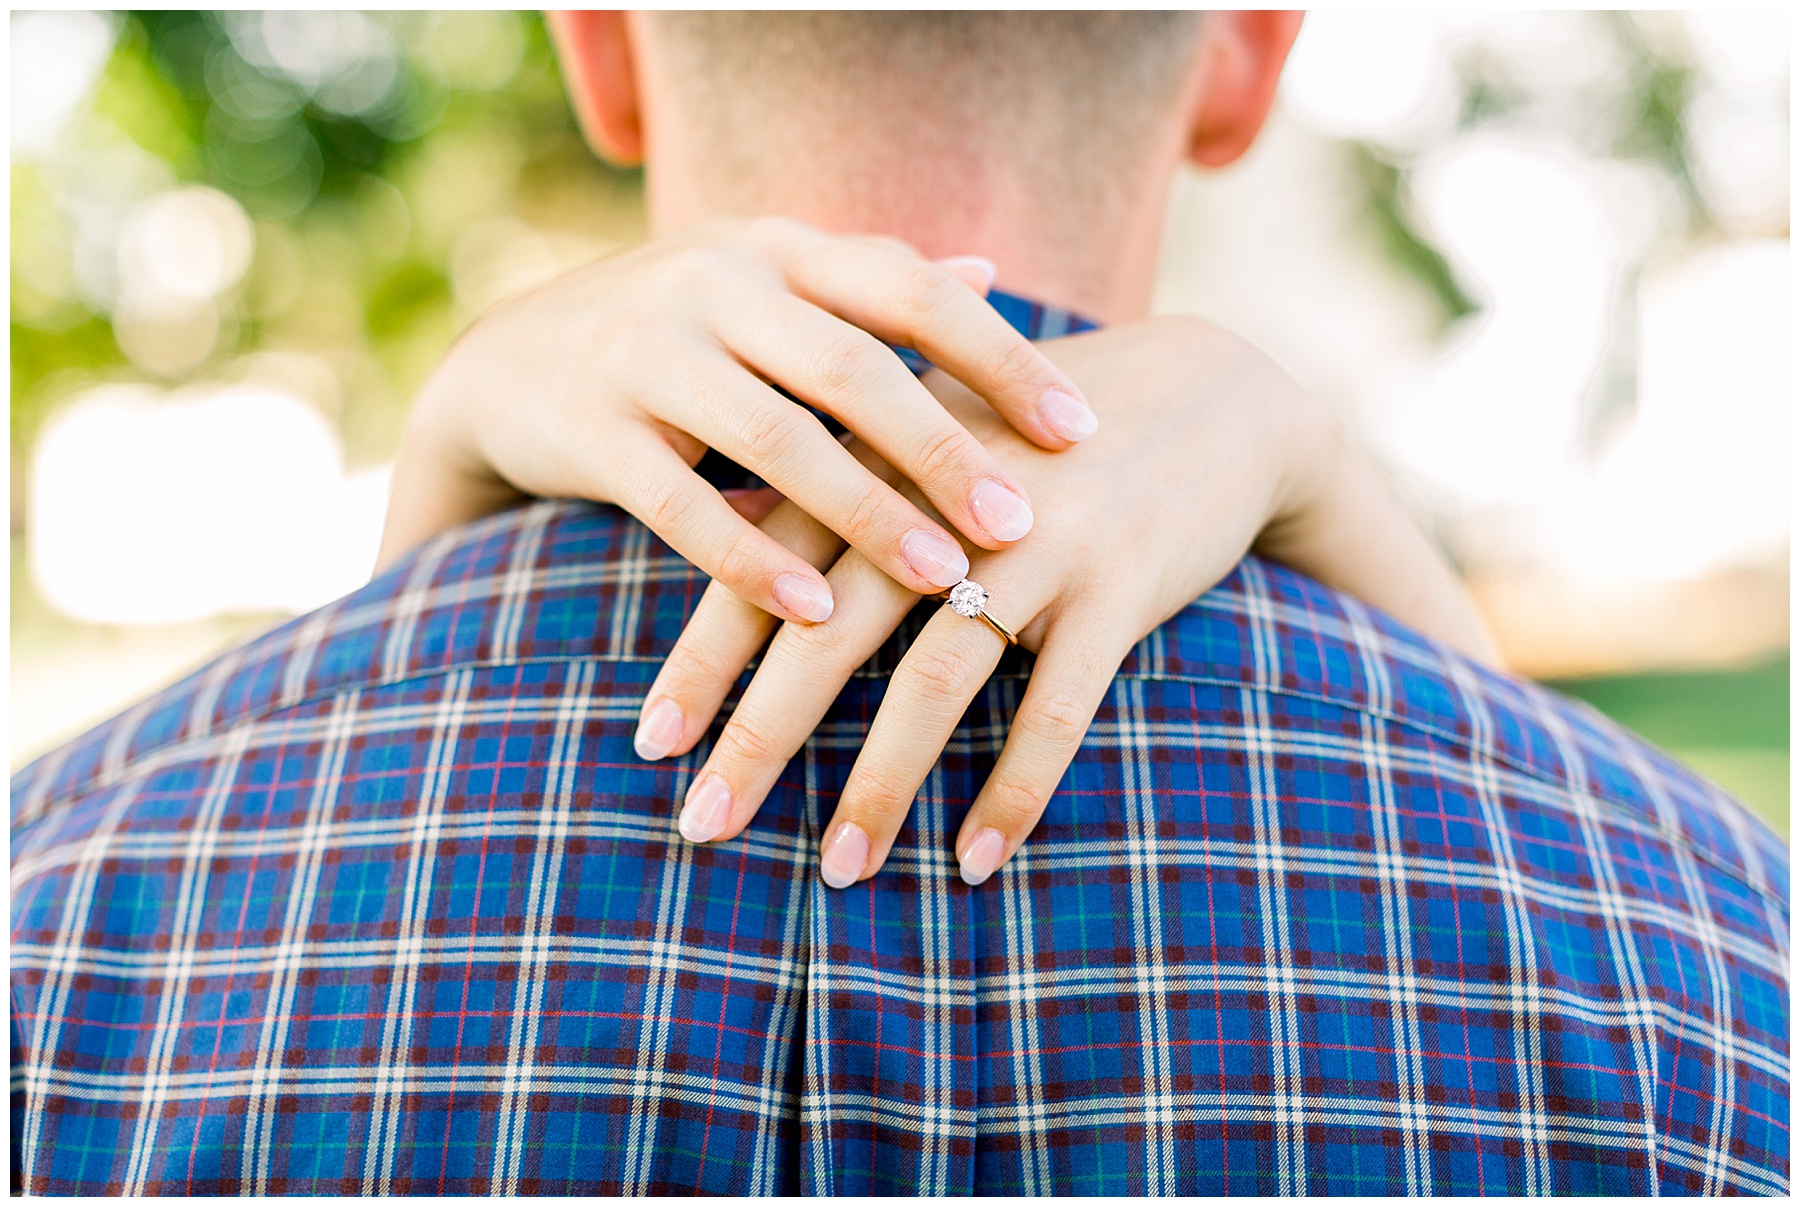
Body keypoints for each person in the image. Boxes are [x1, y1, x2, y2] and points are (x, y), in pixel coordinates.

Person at [9, 12, 1786, 1197]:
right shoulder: (1715, 954)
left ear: (602, 56)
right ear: (1247, 61)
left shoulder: (59, 909)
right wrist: (1348, 506)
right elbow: (1571, 875)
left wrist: (433, 535)